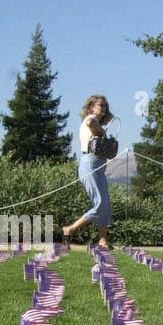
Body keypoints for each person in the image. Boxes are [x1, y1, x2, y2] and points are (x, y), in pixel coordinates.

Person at [63, 95, 114, 248]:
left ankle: (103, 240)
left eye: (105, 105)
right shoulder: (92, 118)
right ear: (92, 107)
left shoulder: (97, 122)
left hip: (97, 164)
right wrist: (103, 133)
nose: (104, 108)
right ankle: (70, 229)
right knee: (100, 204)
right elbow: (89, 121)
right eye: (101, 105)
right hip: (90, 163)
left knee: (106, 204)